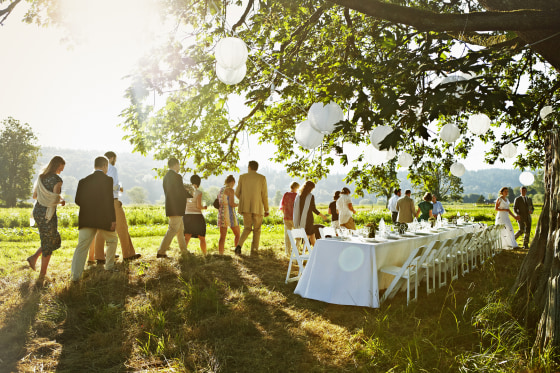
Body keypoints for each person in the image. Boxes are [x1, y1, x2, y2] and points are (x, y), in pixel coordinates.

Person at [88, 151, 141, 265]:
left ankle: (100, 257)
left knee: (101, 229)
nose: (115, 162)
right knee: (122, 227)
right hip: (112, 201)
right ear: (111, 158)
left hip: (99, 202)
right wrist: (118, 188)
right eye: (115, 159)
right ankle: (128, 255)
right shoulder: (112, 168)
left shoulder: (95, 172)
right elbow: (110, 185)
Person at [70, 156, 118, 281]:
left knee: (82, 247)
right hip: (103, 219)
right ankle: (109, 267)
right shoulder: (108, 180)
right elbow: (109, 201)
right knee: (112, 240)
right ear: (104, 166)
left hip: (86, 218)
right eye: (107, 167)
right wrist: (113, 219)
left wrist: (89, 208)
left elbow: (77, 200)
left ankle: (75, 277)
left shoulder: (83, 181)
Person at [26, 156, 66, 283]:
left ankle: (34, 258)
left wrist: (54, 198)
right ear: (57, 165)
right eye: (61, 167)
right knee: (49, 241)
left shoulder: (41, 177)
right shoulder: (57, 180)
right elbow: (54, 198)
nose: (62, 170)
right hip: (48, 213)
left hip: (38, 211)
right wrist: (61, 201)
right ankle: (42, 274)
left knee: (49, 238)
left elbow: (35, 196)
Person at [157, 157, 191, 258]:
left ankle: (184, 251)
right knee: (172, 230)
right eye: (179, 164)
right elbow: (180, 192)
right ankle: (161, 251)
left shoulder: (166, 177)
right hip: (177, 207)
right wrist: (189, 193)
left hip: (171, 206)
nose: (179, 167)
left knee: (180, 230)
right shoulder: (177, 177)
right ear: (175, 164)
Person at [234, 160, 269, 256]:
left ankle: (239, 246)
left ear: (249, 167)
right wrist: (266, 209)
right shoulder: (262, 178)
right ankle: (254, 251)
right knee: (257, 229)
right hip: (258, 207)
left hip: (245, 207)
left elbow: (237, 193)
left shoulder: (242, 177)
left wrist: (244, 200)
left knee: (247, 228)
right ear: (257, 168)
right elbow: (264, 195)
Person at [293, 181, 327, 245]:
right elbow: (313, 209)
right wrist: (322, 215)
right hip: (308, 219)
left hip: (299, 219)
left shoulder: (298, 196)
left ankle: (310, 250)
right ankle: (308, 250)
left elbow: (294, 207)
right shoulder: (311, 196)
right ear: (310, 188)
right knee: (309, 235)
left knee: (311, 235)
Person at [183, 175, 208, 255]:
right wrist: (204, 207)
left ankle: (183, 253)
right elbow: (198, 206)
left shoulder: (186, 191)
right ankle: (204, 254)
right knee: (202, 237)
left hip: (187, 215)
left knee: (187, 237)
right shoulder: (198, 192)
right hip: (197, 216)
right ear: (199, 183)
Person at [217, 175, 240, 255]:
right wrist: (239, 204)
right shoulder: (231, 190)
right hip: (230, 214)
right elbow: (232, 204)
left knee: (222, 236)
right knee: (237, 234)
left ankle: (221, 254)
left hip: (221, 214)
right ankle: (237, 253)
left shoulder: (221, 190)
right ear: (232, 182)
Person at [279, 182, 300, 256]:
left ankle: (287, 252)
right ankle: (296, 251)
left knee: (287, 235)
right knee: (298, 235)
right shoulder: (297, 196)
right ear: (297, 187)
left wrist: (284, 214)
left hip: (286, 217)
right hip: (295, 218)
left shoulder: (286, 194)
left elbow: (283, 206)